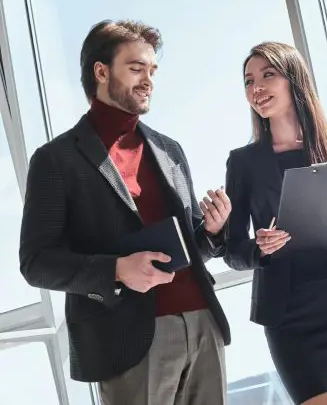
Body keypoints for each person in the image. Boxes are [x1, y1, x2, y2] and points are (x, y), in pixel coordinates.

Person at [19, 20, 232, 405]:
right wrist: (117, 269)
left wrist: (212, 233)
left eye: (152, 71)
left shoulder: (170, 150)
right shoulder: (55, 160)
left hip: (202, 323)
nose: (148, 79)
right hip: (126, 338)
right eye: (135, 68)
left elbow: (188, 249)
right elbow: (36, 262)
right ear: (101, 72)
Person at [223, 41, 327, 405]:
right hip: (290, 316)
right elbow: (233, 250)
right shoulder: (243, 163)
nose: (257, 88)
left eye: (268, 75)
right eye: (249, 81)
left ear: (294, 80)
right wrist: (258, 248)